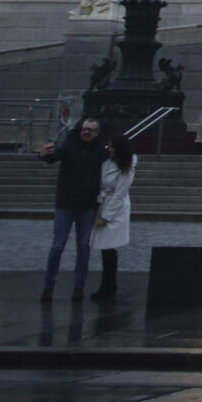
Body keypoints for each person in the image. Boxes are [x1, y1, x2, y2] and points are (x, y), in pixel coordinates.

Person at [37, 116, 109, 301]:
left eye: (90, 130)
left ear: (96, 133)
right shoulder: (70, 144)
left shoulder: (100, 150)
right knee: (57, 246)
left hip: (87, 206)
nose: (85, 132)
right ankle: (48, 286)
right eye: (84, 129)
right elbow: (55, 156)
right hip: (66, 204)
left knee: (84, 246)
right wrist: (43, 155)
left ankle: (79, 286)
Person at [92, 129, 136, 300]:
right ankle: (108, 285)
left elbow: (119, 194)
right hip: (104, 203)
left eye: (112, 147)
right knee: (106, 249)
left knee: (109, 248)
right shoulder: (106, 162)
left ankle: (109, 286)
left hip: (116, 210)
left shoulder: (127, 167)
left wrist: (106, 216)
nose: (108, 149)